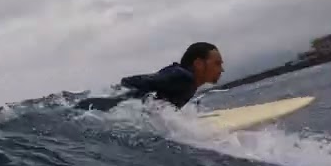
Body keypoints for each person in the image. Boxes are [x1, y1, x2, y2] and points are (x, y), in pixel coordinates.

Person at [74, 42, 224, 111]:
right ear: (198, 63)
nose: (221, 69)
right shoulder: (184, 78)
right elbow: (134, 81)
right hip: (107, 108)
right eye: (217, 63)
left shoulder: (184, 80)